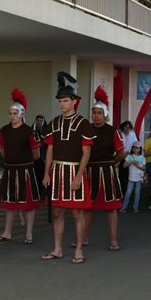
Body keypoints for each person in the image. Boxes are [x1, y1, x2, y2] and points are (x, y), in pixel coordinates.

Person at [41, 72, 95, 264]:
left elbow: (86, 153)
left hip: (74, 171)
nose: (62, 104)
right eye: (60, 101)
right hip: (56, 172)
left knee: (77, 213)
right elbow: (49, 150)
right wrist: (46, 173)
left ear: (74, 101)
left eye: (65, 100)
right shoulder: (54, 123)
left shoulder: (84, 124)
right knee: (57, 211)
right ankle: (57, 249)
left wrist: (79, 176)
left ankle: (79, 250)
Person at [0, 89, 41, 244]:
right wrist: (11, 161)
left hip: (26, 171)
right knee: (9, 204)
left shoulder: (29, 132)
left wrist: (22, 160)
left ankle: (29, 233)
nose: (12, 116)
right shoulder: (4, 131)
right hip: (10, 170)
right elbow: (2, 150)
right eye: (11, 113)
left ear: (21, 114)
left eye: (15, 113)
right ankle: (7, 232)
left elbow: (36, 154)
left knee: (28, 204)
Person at [80, 86, 125, 251]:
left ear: (105, 114)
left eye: (99, 113)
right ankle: (83, 239)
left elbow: (121, 152)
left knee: (110, 208)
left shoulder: (112, 131)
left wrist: (111, 163)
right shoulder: (86, 130)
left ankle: (113, 240)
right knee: (87, 208)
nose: (96, 115)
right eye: (94, 112)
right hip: (89, 171)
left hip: (106, 172)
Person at [121, 142, 146, 212]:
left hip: (138, 178)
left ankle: (135, 207)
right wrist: (131, 162)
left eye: (137, 148)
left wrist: (138, 165)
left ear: (140, 149)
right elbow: (124, 165)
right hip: (131, 178)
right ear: (132, 148)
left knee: (137, 193)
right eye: (134, 148)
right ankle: (124, 207)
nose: (135, 149)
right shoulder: (129, 156)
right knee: (128, 192)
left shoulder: (142, 157)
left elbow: (144, 168)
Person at [118, 120, 138, 194]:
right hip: (121, 156)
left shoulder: (133, 134)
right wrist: (122, 153)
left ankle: (130, 192)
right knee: (122, 175)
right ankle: (122, 191)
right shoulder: (120, 134)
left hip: (130, 157)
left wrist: (129, 152)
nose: (127, 129)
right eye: (126, 127)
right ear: (123, 127)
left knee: (130, 175)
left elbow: (135, 145)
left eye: (129, 128)